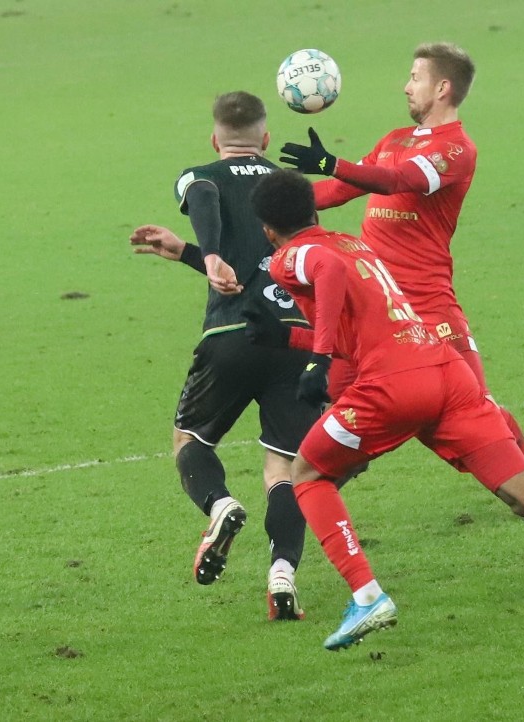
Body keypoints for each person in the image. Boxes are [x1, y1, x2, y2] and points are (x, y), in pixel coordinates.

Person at [248, 169, 524, 651]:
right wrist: (290, 338)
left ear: (267, 229)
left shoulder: (289, 256)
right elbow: (364, 326)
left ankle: (367, 596)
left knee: (306, 473)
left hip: (392, 386)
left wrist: (316, 360)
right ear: (315, 210)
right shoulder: (353, 242)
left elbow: (325, 271)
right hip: (445, 371)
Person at [279, 41, 524, 473]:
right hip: (376, 308)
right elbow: (338, 192)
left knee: (475, 407)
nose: (405, 87)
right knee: (341, 411)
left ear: (442, 88)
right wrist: (273, 207)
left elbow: (398, 179)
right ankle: (306, 499)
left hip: (429, 304)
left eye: (415, 78)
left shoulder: (456, 150)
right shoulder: (394, 139)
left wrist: (332, 161)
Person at [129, 91, 321, 621]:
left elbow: (209, 197)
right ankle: (282, 576)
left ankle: (220, 505)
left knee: (188, 439)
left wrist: (207, 252)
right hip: (298, 342)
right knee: (285, 468)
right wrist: (190, 254)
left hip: (232, 337)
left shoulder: (198, 175)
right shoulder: (292, 191)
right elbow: (268, 269)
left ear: (216, 138)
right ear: (265, 139)